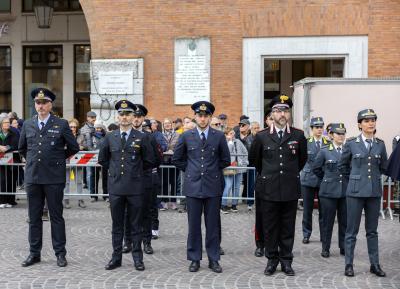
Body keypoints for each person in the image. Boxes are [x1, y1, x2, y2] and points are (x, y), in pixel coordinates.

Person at [19, 88, 79, 267]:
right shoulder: (28, 124)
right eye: (38, 103)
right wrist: (31, 162)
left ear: (50, 104)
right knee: (34, 217)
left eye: (44, 102)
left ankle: (60, 253)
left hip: (53, 178)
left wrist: (58, 159)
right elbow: (22, 148)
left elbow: (73, 147)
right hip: (33, 177)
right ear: (34, 105)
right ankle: (34, 253)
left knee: (56, 216)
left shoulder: (60, 124)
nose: (41, 106)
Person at [249, 94, 307, 276]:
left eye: (285, 110)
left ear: (289, 114)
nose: (282, 114)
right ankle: (272, 260)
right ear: (271, 114)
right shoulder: (261, 137)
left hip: (289, 188)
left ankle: (286, 261)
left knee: (288, 226)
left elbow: (302, 161)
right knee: (270, 226)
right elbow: (255, 161)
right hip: (269, 190)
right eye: (277, 110)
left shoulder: (298, 135)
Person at [173, 101, 230, 273]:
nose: (203, 119)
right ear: (195, 117)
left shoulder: (218, 136)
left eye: (206, 116)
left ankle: (213, 259)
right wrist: (190, 170)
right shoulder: (186, 136)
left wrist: (212, 171)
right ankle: (195, 258)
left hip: (213, 186)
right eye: (200, 115)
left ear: (210, 117)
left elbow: (225, 159)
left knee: (212, 225)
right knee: (194, 225)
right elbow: (177, 159)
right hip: (193, 185)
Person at [98, 100, 156, 271]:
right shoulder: (110, 137)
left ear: (133, 116)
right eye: (122, 114)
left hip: (135, 188)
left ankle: (138, 258)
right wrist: (116, 172)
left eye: (128, 114)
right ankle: (116, 257)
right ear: (118, 116)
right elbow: (103, 159)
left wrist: (134, 173)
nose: (124, 117)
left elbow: (149, 161)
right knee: (117, 225)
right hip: (116, 187)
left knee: (136, 224)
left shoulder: (142, 137)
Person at [338, 109, 388, 277]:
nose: (370, 123)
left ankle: (375, 264)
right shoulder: (351, 143)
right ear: (360, 125)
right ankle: (349, 265)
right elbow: (343, 166)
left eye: (373, 120)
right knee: (351, 230)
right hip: (355, 193)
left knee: (372, 231)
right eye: (366, 121)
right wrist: (354, 181)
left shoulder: (380, 144)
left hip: (373, 192)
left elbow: (383, 167)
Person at [123, 104, 162, 253]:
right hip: (128, 181)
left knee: (146, 212)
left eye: (139, 116)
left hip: (146, 180)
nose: (137, 119)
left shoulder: (149, 137)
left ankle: (147, 242)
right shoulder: (125, 136)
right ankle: (128, 241)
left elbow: (157, 159)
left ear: (143, 118)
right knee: (128, 212)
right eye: (135, 116)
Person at [312, 123, 347, 258]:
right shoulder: (325, 150)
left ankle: (343, 247)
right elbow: (316, 168)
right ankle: (325, 248)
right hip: (328, 192)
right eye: (338, 134)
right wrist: (326, 179)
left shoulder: (347, 150)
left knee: (344, 221)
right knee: (327, 221)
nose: (341, 136)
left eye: (343, 133)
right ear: (331, 135)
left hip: (344, 191)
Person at [300, 117, 330, 244]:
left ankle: (324, 235)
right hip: (308, 179)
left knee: (324, 210)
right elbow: (300, 160)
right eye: (316, 127)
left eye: (321, 127)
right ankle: (306, 234)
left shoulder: (328, 143)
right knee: (307, 209)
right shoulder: (306, 142)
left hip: (323, 179)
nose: (319, 129)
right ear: (311, 129)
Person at [221, 127, 248, 213]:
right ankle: (223, 205)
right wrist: (230, 143)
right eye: (231, 133)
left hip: (238, 167)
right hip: (229, 167)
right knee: (228, 185)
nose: (233, 135)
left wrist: (243, 162)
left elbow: (245, 152)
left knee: (236, 187)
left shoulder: (238, 141)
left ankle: (234, 205)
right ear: (226, 135)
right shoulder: (224, 143)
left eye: (233, 133)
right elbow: (226, 153)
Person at [64, 118, 86, 209]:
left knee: (79, 181)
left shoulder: (81, 136)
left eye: (74, 127)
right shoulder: (64, 135)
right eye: (71, 127)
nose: (72, 128)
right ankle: (66, 199)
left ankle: (80, 199)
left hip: (78, 161)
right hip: (67, 161)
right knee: (66, 182)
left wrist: (82, 147)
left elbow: (85, 145)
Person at [0, 116, 20, 207]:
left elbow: (16, 145)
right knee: (2, 180)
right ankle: (2, 201)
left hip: (12, 160)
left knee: (11, 180)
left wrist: (6, 148)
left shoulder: (14, 132)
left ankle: (10, 200)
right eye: (5, 122)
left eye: (8, 122)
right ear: (1, 124)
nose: (7, 124)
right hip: (1, 161)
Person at [161, 118, 180, 210]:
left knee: (174, 182)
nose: (167, 125)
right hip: (164, 161)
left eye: (168, 123)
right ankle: (164, 201)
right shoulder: (160, 135)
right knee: (164, 182)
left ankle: (173, 201)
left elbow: (179, 146)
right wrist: (165, 150)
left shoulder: (177, 134)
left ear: (171, 124)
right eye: (165, 123)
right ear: (163, 125)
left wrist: (173, 150)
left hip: (174, 161)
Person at [89, 121, 108, 202]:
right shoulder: (91, 136)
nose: (98, 129)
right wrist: (94, 151)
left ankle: (106, 195)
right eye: (97, 128)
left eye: (100, 128)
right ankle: (94, 195)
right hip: (94, 159)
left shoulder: (106, 136)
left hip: (104, 159)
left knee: (105, 177)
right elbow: (89, 146)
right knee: (93, 177)